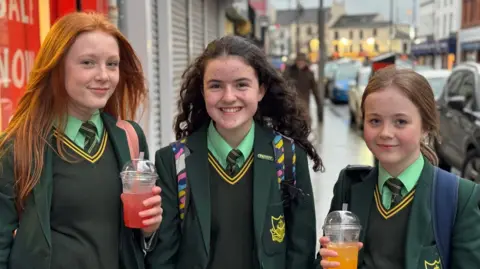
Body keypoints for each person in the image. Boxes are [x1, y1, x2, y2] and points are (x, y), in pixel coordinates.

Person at [0, 12, 162, 269]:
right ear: (57, 67)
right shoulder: (17, 146)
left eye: (112, 64)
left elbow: (142, 243)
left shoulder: (129, 137)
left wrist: (150, 231)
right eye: (87, 63)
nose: (103, 76)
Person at [151, 35, 323, 269]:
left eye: (241, 84)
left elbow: (300, 255)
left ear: (260, 90)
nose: (229, 97)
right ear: (202, 91)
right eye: (216, 85)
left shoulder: (289, 157)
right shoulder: (173, 161)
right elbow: (162, 258)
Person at [318, 66, 480, 269]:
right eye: (375, 120)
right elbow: (323, 260)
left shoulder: (459, 197)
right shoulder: (349, 186)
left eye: (400, 122)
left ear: (426, 127)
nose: (385, 132)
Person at [283, 53, 322, 126]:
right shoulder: (289, 72)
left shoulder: (309, 74)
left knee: (306, 124)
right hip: (291, 105)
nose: (300, 63)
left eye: (302, 61)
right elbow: (282, 85)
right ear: (296, 61)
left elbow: (315, 91)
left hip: (304, 105)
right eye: (299, 61)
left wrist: (319, 109)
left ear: (305, 62)